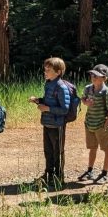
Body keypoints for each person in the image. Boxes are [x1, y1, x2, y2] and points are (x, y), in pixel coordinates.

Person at [30, 57, 71, 188]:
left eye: (48, 70)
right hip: (47, 123)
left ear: (58, 72)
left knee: (57, 152)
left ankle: (59, 178)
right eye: (45, 69)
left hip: (57, 125)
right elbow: (48, 102)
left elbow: (65, 109)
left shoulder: (61, 87)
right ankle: (48, 175)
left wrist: (47, 108)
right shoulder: (48, 84)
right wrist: (38, 100)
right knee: (48, 151)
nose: (45, 72)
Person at [80, 63, 108, 183]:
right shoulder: (88, 88)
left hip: (101, 126)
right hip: (89, 124)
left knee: (106, 149)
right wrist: (85, 102)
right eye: (92, 75)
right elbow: (83, 98)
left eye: (96, 76)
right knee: (92, 148)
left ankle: (104, 173)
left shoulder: (106, 92)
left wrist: (106, 125)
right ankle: (90, 171)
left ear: (105, 78)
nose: (93, 77)